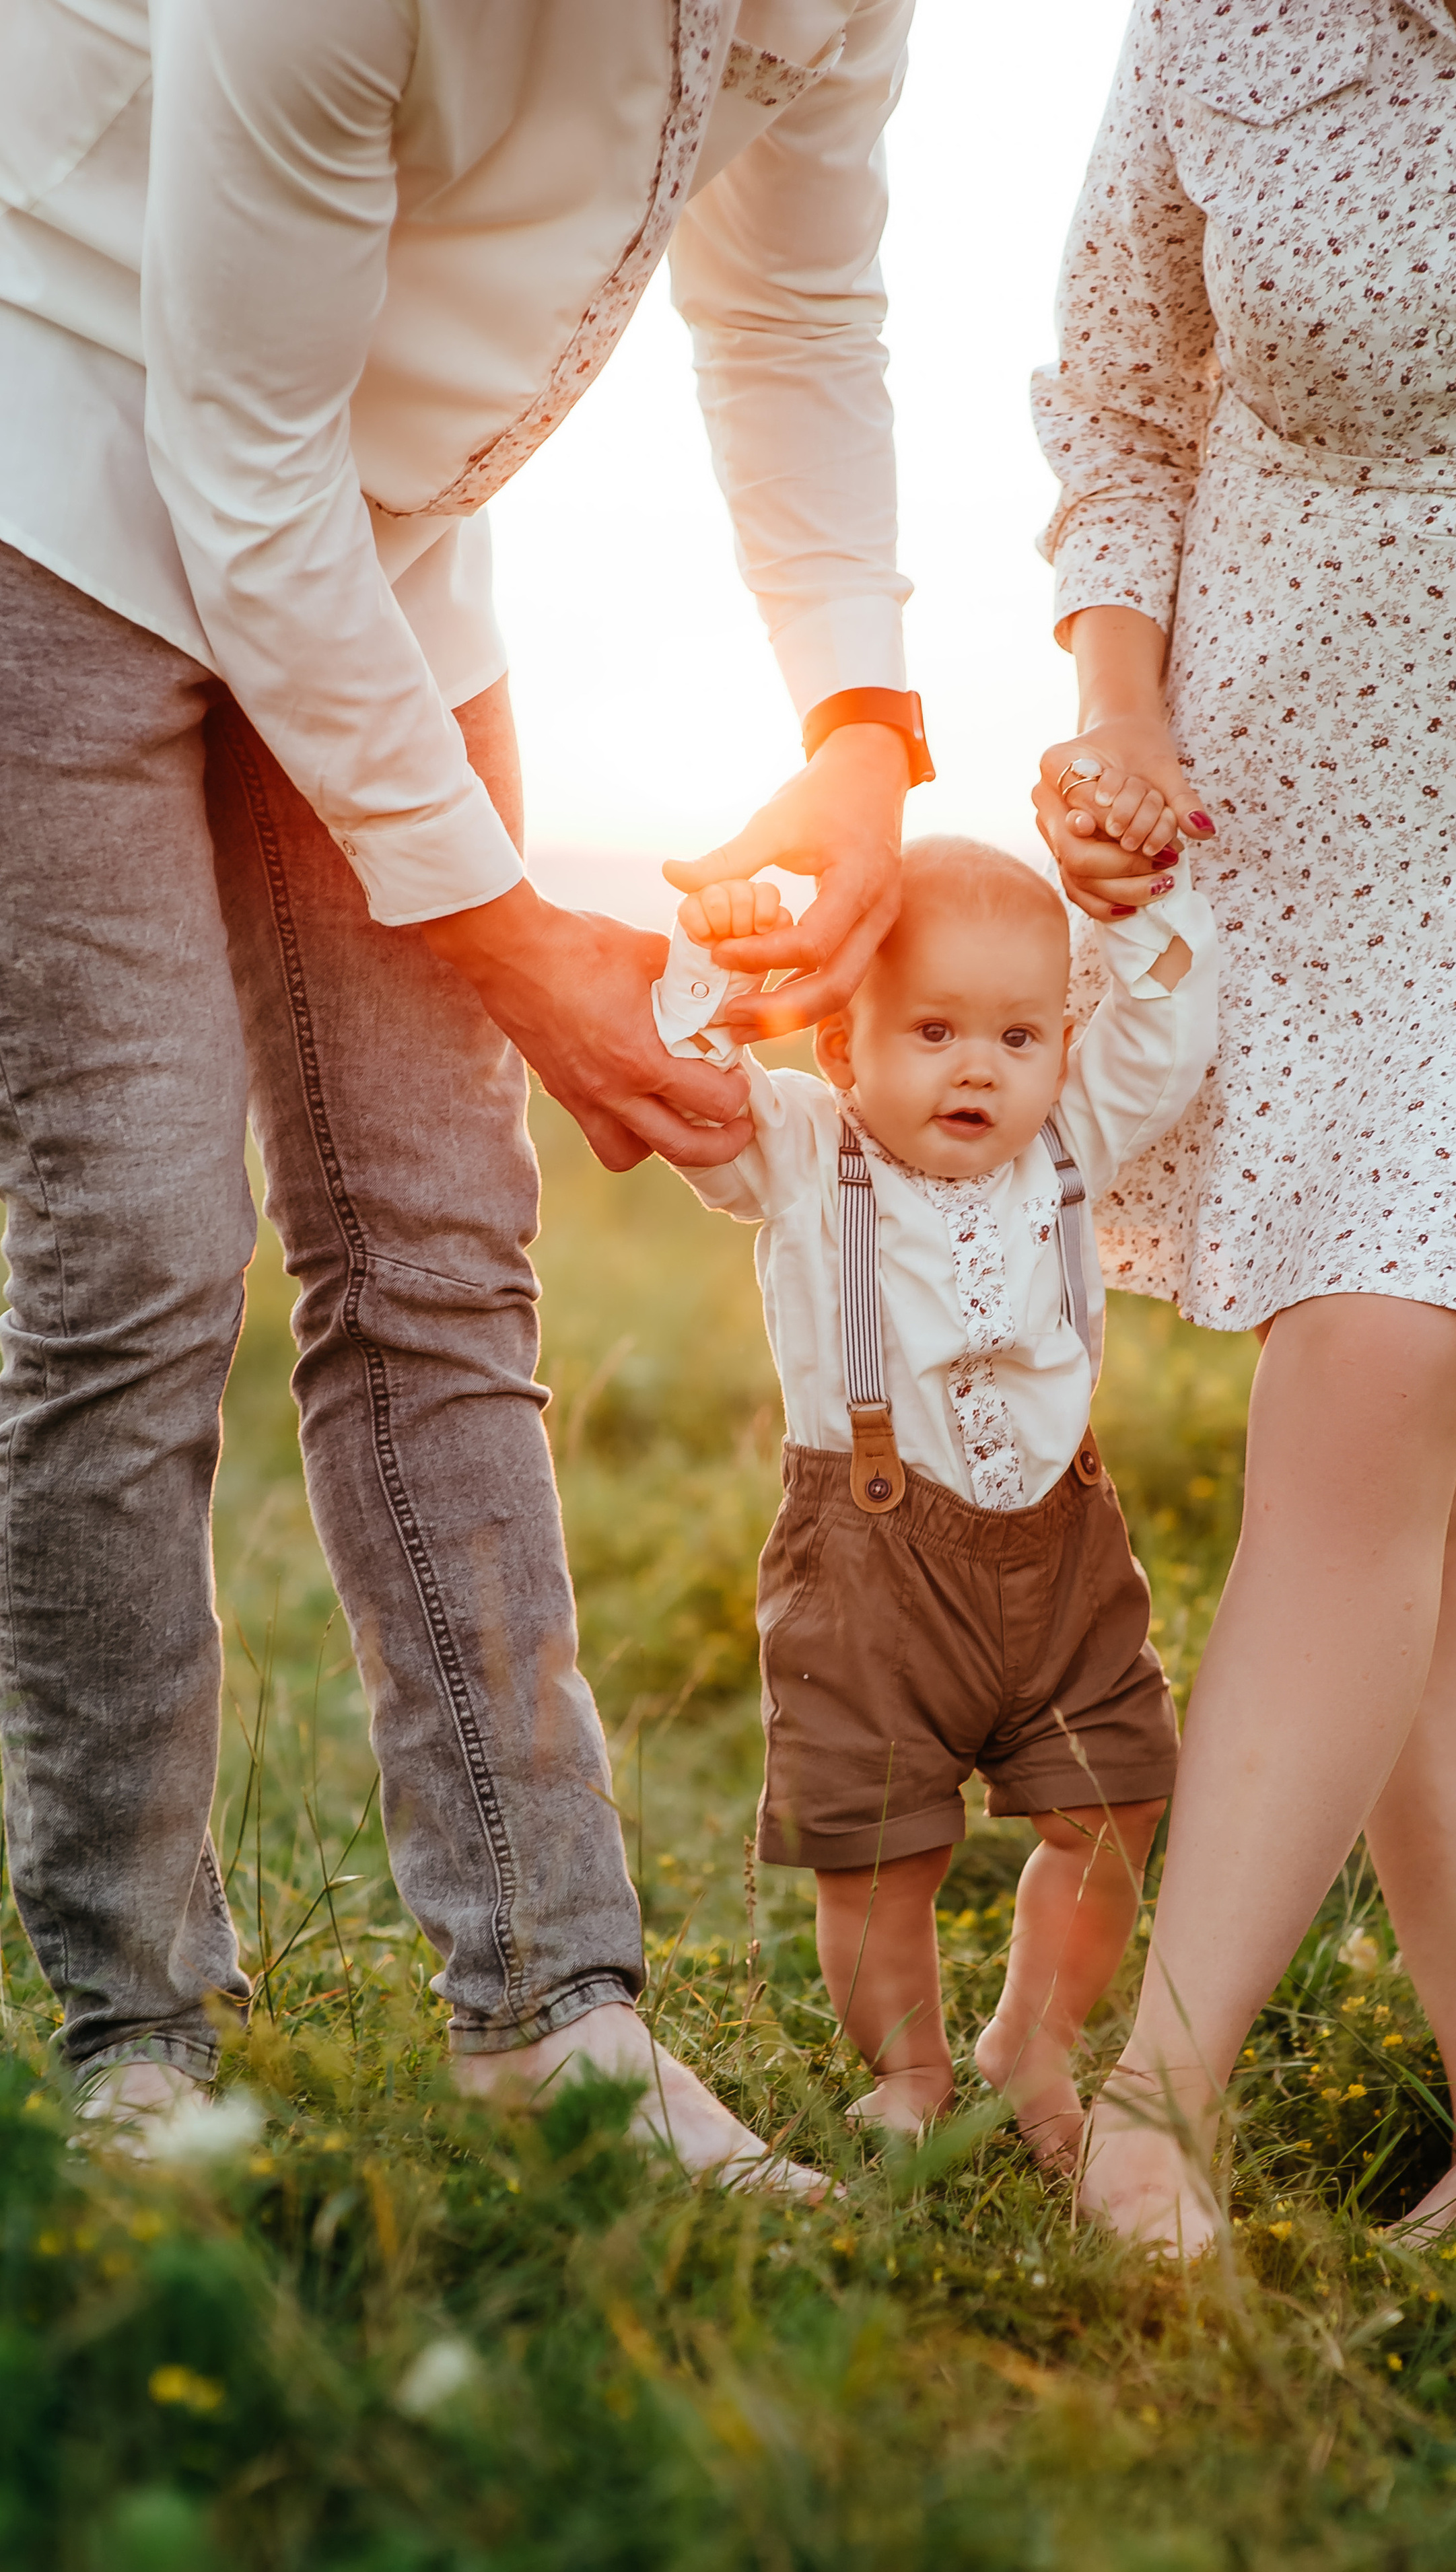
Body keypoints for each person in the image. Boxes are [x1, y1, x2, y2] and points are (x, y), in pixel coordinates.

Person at [0, 0, 930, 2174]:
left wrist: (869, 716)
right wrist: (515, 940)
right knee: (138, 1234)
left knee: (435, 1232)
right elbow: (236, 464)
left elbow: (794, 292)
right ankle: (134, 2031)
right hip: (66, 432)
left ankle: (550, 2009)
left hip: (381, 512)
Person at [1028, 0, 1456, 2248]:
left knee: (1377, 1357)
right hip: (1300, 792)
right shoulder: (1220, 21)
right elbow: (1123, 408)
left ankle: (1157, 2098)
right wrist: (1115, 723)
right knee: (1446, 1469)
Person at [651, 837, 1218, 2163]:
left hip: (1065, 1554)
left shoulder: (1065, 1138)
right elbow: (693, 1083)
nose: (979, 1066)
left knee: (1116, 1801)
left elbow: (1168, 1031)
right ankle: (902, 2069)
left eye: (1019, 1034)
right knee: (874, 1854)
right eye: (932, 1030)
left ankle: (1034, 2036)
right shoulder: (800, 1147)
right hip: (867, 1574)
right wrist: (711, 954)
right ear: (844, 1051)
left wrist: (1134, 907)